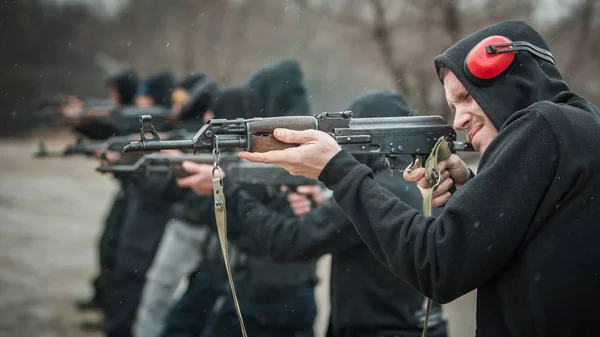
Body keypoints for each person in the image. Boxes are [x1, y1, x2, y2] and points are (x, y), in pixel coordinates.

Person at [237, 20, 600, 337]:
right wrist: (471, 189)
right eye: (454, 106)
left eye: (467, 98)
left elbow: (438, 265)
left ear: (509, 81)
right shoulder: (580, 125)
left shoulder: (543, 126)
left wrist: (337, 170)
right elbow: (533, 240)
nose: (458, 120)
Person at [178, 90, 449, 337]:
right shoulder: (428, 180)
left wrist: (227, 192)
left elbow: (288, 241)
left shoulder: (377, 191)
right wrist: (326, 201)